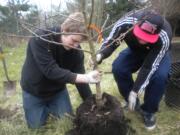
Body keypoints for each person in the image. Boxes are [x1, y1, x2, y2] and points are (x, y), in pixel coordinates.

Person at [20, 12, 101, 128]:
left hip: (57, 92)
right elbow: (50, 70)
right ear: (64, 30)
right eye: (74, 40)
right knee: (36, 127)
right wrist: (86, 78)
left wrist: (91, 103)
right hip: (34, 91)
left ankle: (52, 107)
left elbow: (80, 79)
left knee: (67, 122)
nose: (76, 45)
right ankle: (40, 109)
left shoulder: (77, 52)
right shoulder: (41, 38)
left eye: (79, 42)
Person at [96, 10, 172, 130]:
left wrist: (135, 90)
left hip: (157, 54)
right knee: (118, 67)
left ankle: (148, 111)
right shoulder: (127, 22)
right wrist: (100, 55)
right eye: (141, 36)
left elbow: (148, 67)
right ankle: (132, 102)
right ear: (137, 24)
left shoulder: (164, 35)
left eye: (147, 38)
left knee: (160, 77)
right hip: (135, 51)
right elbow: (113, 40)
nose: (143, 40)